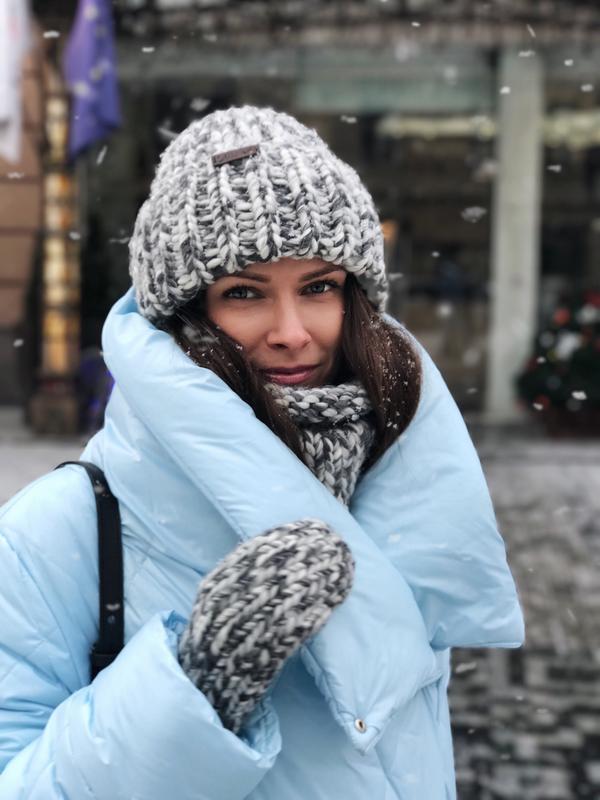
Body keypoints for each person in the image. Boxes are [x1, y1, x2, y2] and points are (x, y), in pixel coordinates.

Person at [0, 107, 524, 799]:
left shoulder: (391, 481)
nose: (292, 332)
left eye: (318, 287)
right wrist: (196, 687)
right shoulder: (51, 535)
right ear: (184, 315)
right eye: (244, 292)